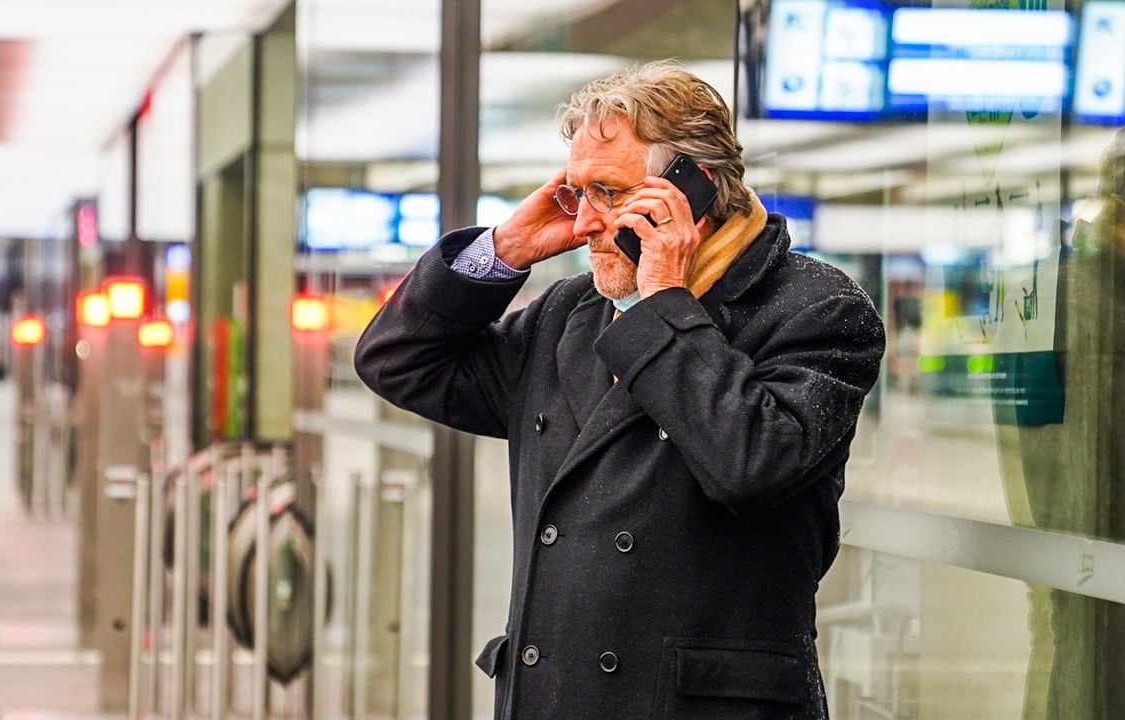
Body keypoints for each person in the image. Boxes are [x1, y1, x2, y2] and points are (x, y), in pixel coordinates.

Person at [354, 61, 885, 720]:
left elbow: (749, 462)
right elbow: (397, 360)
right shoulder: (565, 315)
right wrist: (507, 246)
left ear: (693, 190)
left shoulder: (816, 308)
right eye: (578, 194)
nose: (583, 225)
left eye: (609, 192)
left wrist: (661, 296)